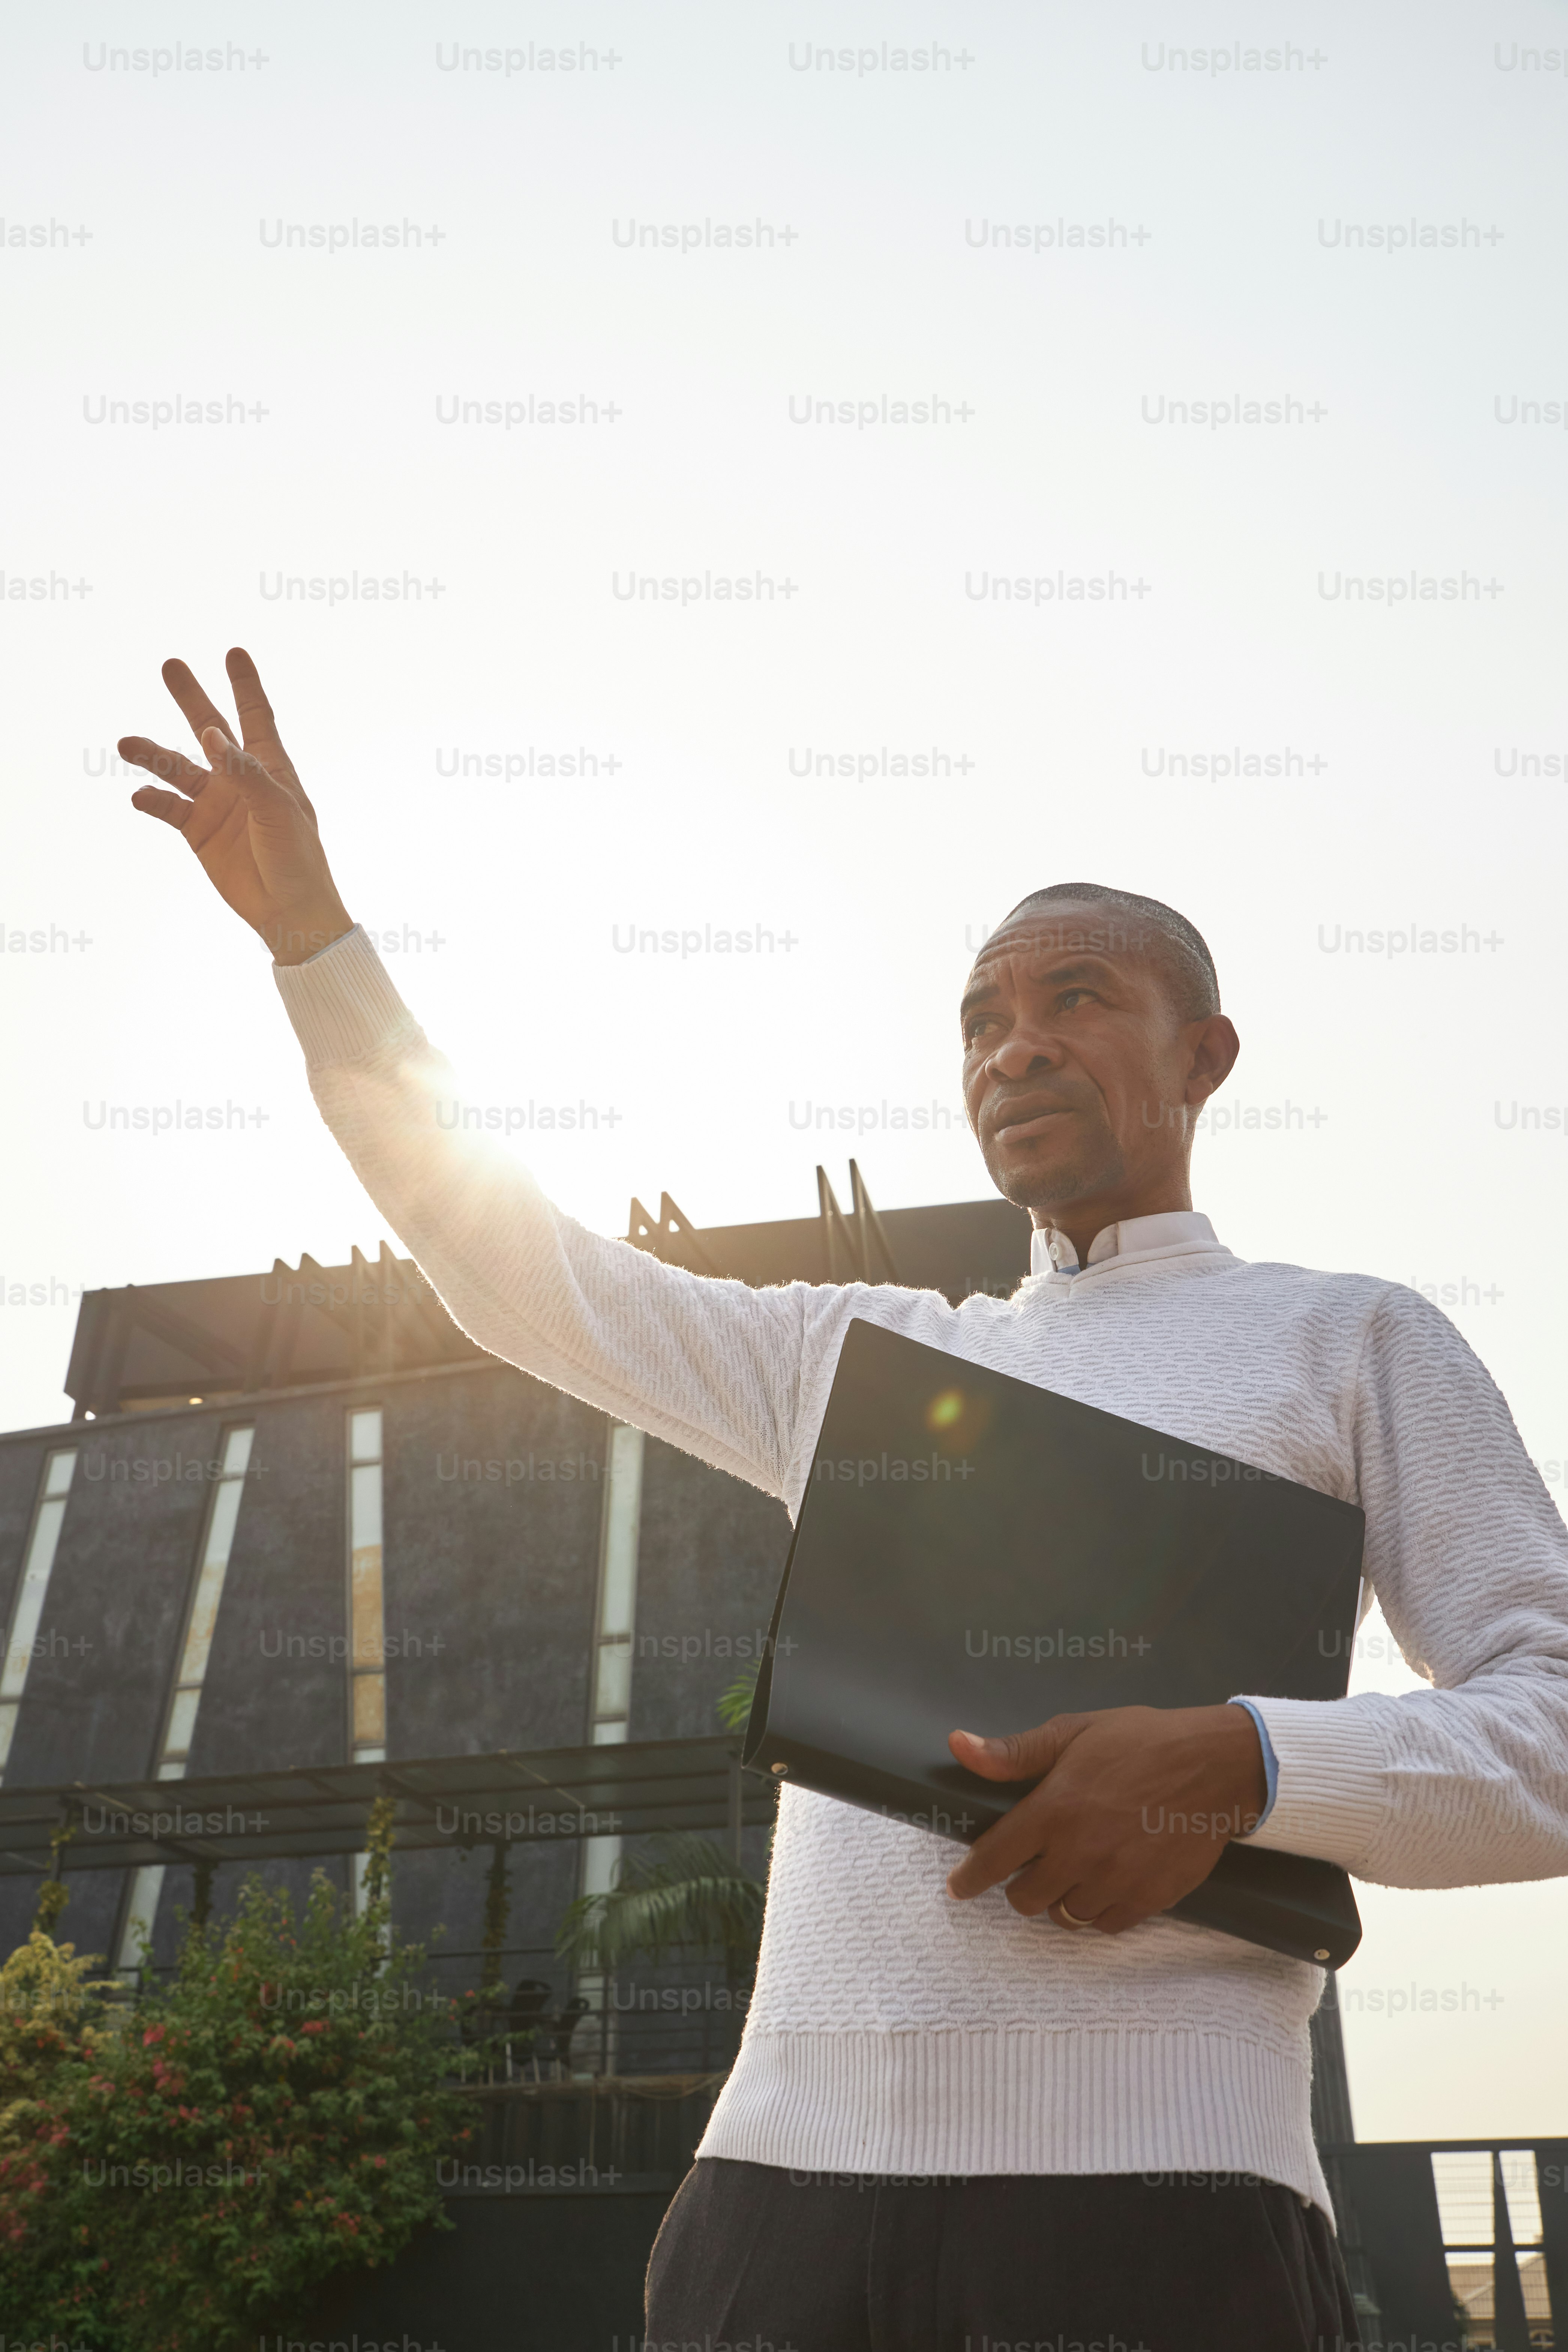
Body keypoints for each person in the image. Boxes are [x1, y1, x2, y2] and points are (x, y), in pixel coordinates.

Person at [122, 649, 1568, 2352]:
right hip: (771, 2212)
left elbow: (1544, 1740)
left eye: (1077, 1000)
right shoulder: (861, 1360)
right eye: (979, 1023)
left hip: (1169, 2212)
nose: (1014, 1050)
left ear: (1206, 1052)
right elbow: (517, 1266)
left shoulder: (1352, 1337)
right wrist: (318, 946)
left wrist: (1247, 1755)